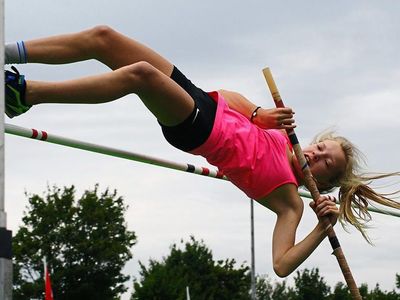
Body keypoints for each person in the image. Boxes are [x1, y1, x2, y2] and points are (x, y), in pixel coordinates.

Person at [5, 26, 400, 277]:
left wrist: (321, 228)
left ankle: (26, 95)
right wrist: (259, 114)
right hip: (201, 99)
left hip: (196, 128)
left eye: (325, 162)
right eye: (321, 146)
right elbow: (227, 96)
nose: (315, 153)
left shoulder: (289, 203)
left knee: (140, 75)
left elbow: (281, 266)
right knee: (105, 39)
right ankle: (8, 51)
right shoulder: (283, 136)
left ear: (325, 182)